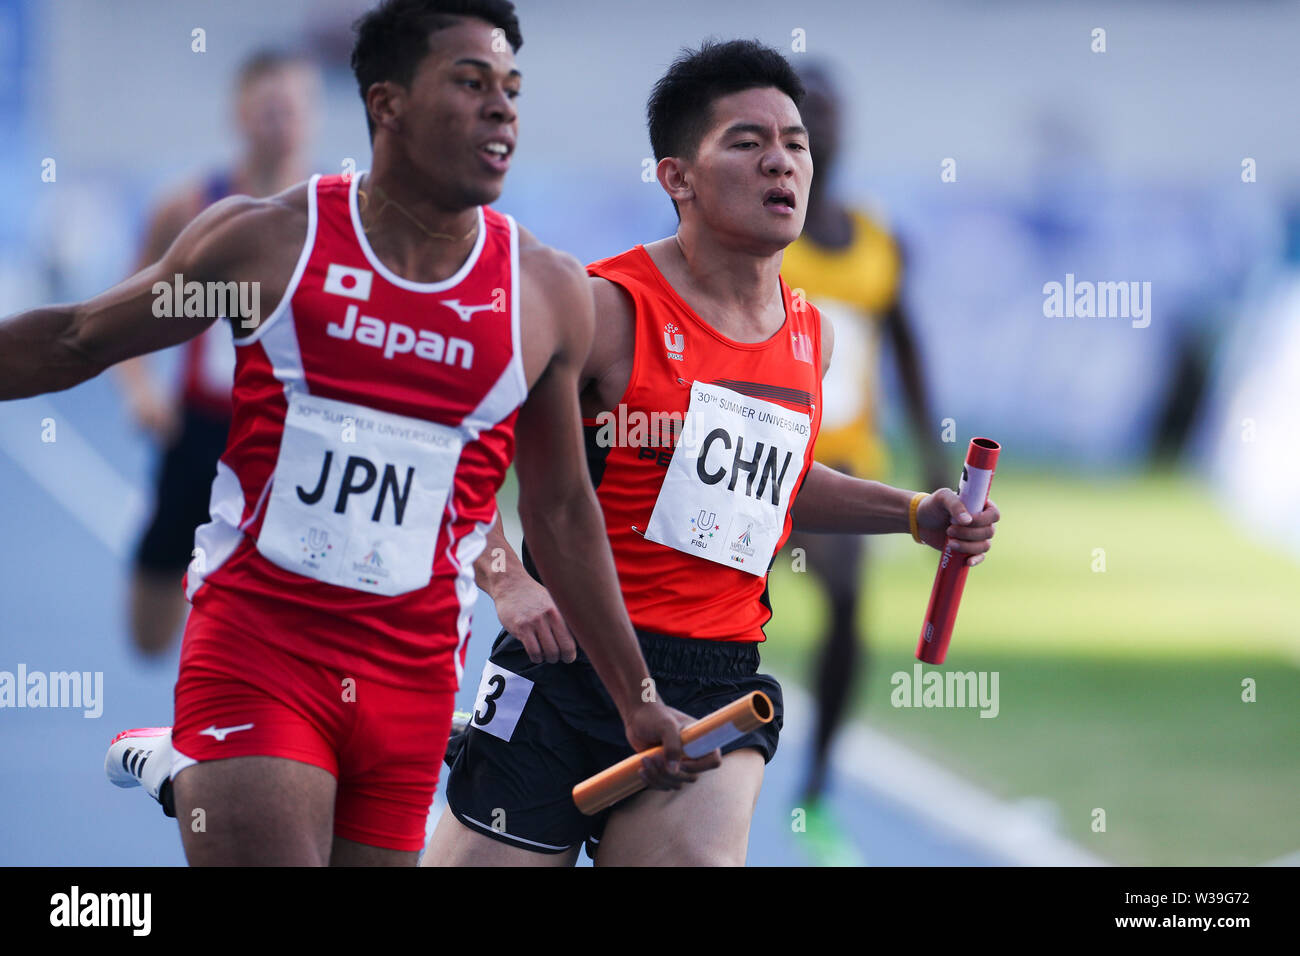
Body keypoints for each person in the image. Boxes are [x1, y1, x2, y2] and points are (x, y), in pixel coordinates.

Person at [5, 0, 710, 867]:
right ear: (387, 105)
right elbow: (79, 337)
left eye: (512, 89)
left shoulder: (542, 293)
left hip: (412, 681)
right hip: (263, 645)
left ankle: (185, 769)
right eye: (470, 82)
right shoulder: (270, 245)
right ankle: (209, 762)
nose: (502, 109)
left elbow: (562, 514)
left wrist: (636, 696)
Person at [425, 39, 999, 868]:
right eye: (747, 142)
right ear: (677, 178)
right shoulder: (600, 311)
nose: (783, 163)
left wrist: (915, 514)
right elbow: (450, 436)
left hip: (713, 684)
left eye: (795, 144)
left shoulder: (813, 338)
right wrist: (505, 578)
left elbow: (780, 486)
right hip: (564, 665)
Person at [776, 61, 948, 857]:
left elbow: (908, 350)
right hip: (748, 453)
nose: (828, 129)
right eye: (812, 114)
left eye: (835, 115)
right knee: (701, 610)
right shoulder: (758, 232)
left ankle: (813, 793)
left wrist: (937, 462)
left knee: (845, 602)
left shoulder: (880, 243)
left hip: (839, 466)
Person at [117, 50, 319, 657]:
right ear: (240, 114)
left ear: (310, 118)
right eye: (267, 110)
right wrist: (141, 392)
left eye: (291, 110)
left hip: (296, 435)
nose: (279, 123)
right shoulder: (187, 208)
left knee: (287, 609)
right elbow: (123, 317)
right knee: (149, 635)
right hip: (202, 427)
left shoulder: (339, 212)